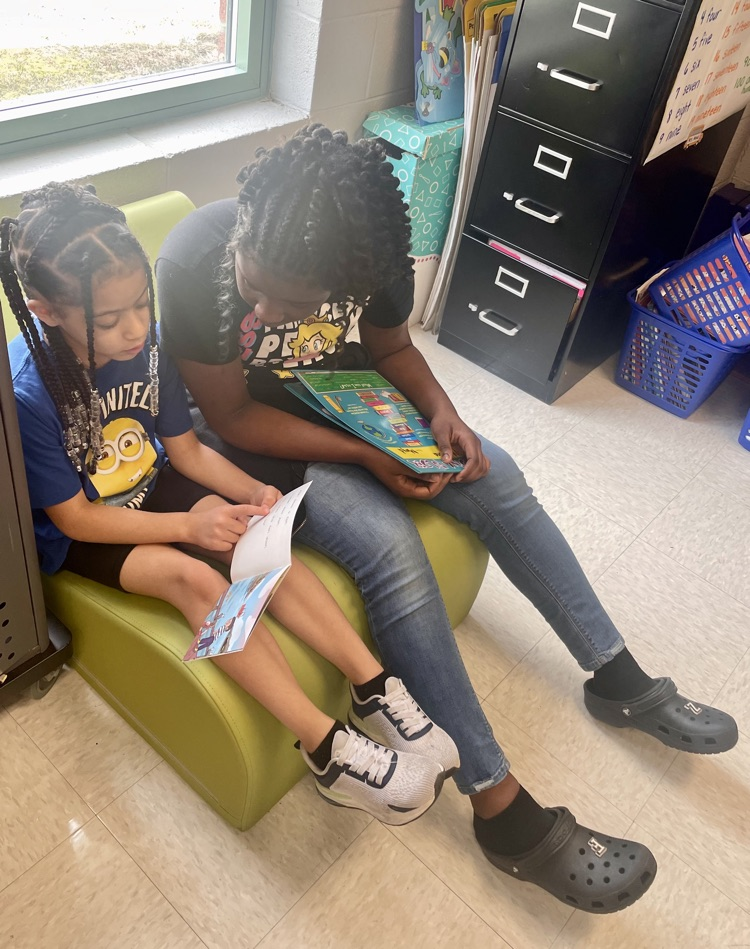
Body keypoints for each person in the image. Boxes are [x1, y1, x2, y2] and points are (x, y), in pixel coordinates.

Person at [155, 124, 739, 915]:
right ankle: (499, 804)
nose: (262, 309)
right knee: (389, 548)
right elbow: (228, 414)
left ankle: (618, 676)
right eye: (253, 284)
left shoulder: (371, 252)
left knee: (495, 475)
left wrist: (440, 411)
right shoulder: (196, 257)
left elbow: (390, 350)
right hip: (262, 442)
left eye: (290, 302)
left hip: (349, 398)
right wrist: (365, 456)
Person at [1, 181, 464, 828]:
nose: (133, 328)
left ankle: (374, 686)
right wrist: (189, 523)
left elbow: (186, 451)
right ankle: (326, 748)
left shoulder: (147, 345)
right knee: (191, 573)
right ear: (44, 310)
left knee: (256, 536)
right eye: (108, 320)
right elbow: (75, 517)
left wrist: (247, 493)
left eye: (141, 304)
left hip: (149, 482)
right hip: (83, 527)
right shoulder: (29, 392)